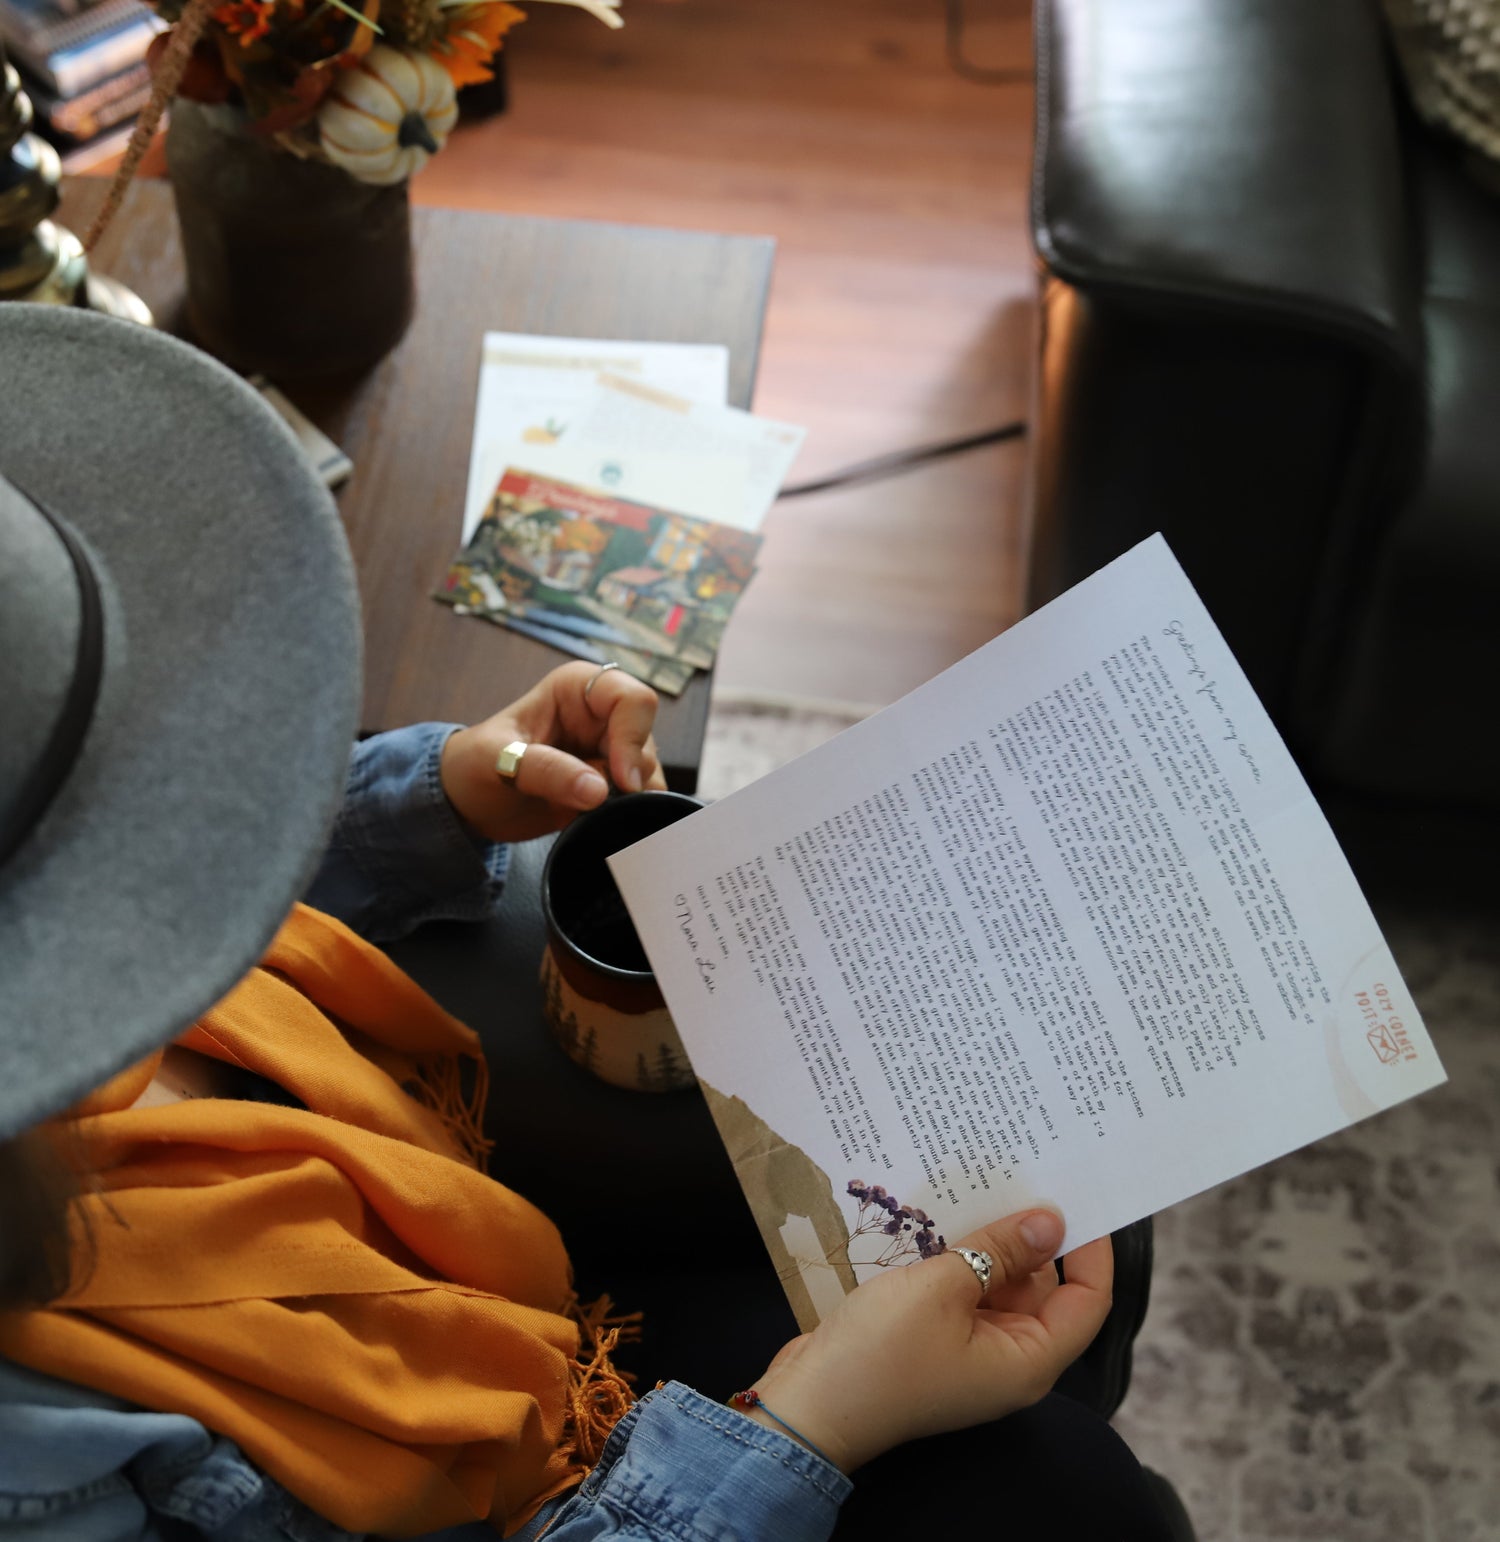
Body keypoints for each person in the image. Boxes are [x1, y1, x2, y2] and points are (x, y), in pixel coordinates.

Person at [0, 308, 1179, 1540]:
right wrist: (812, 1424)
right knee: (1072, 1498)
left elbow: (172, 837)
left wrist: (441, 794)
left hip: (464, 1248)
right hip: (506, 1458)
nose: (160, 798)